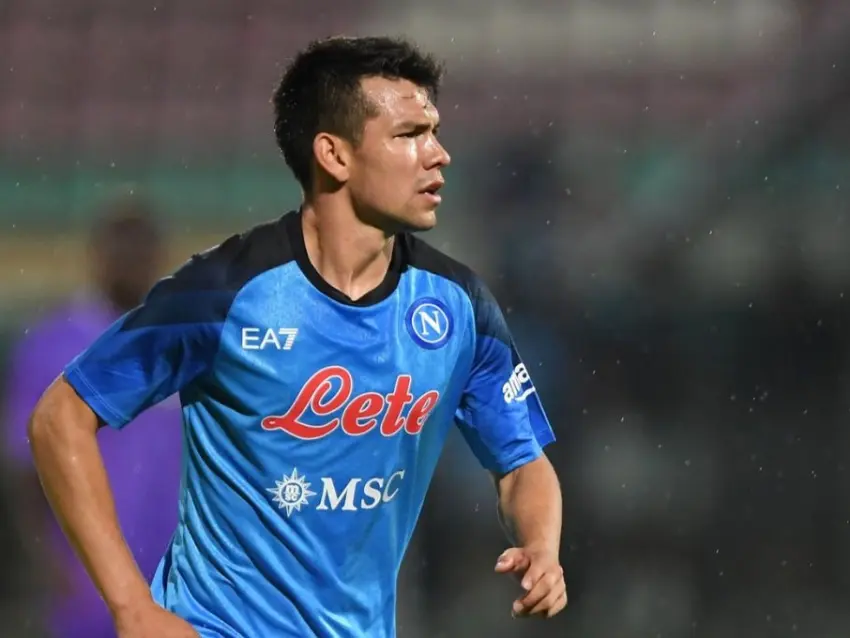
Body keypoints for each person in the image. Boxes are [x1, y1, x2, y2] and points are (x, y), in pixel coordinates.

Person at [26, 36, 565, 638]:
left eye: (434, 132)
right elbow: (59, 418)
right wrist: (131, 607)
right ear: (334, 155)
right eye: (409, 134)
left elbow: (522, 463)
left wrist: (541, 545)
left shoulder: (458, 305)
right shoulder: (223, 293)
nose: (438, 154)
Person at [3, 198, 182, 638]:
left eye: (142, 248)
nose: (132, 260)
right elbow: (23, 467)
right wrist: (45, 560)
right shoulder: (54, 343)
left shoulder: (182, 341)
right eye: (123, 248)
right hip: (85, 580)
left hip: (173, 578)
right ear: (100, 254)